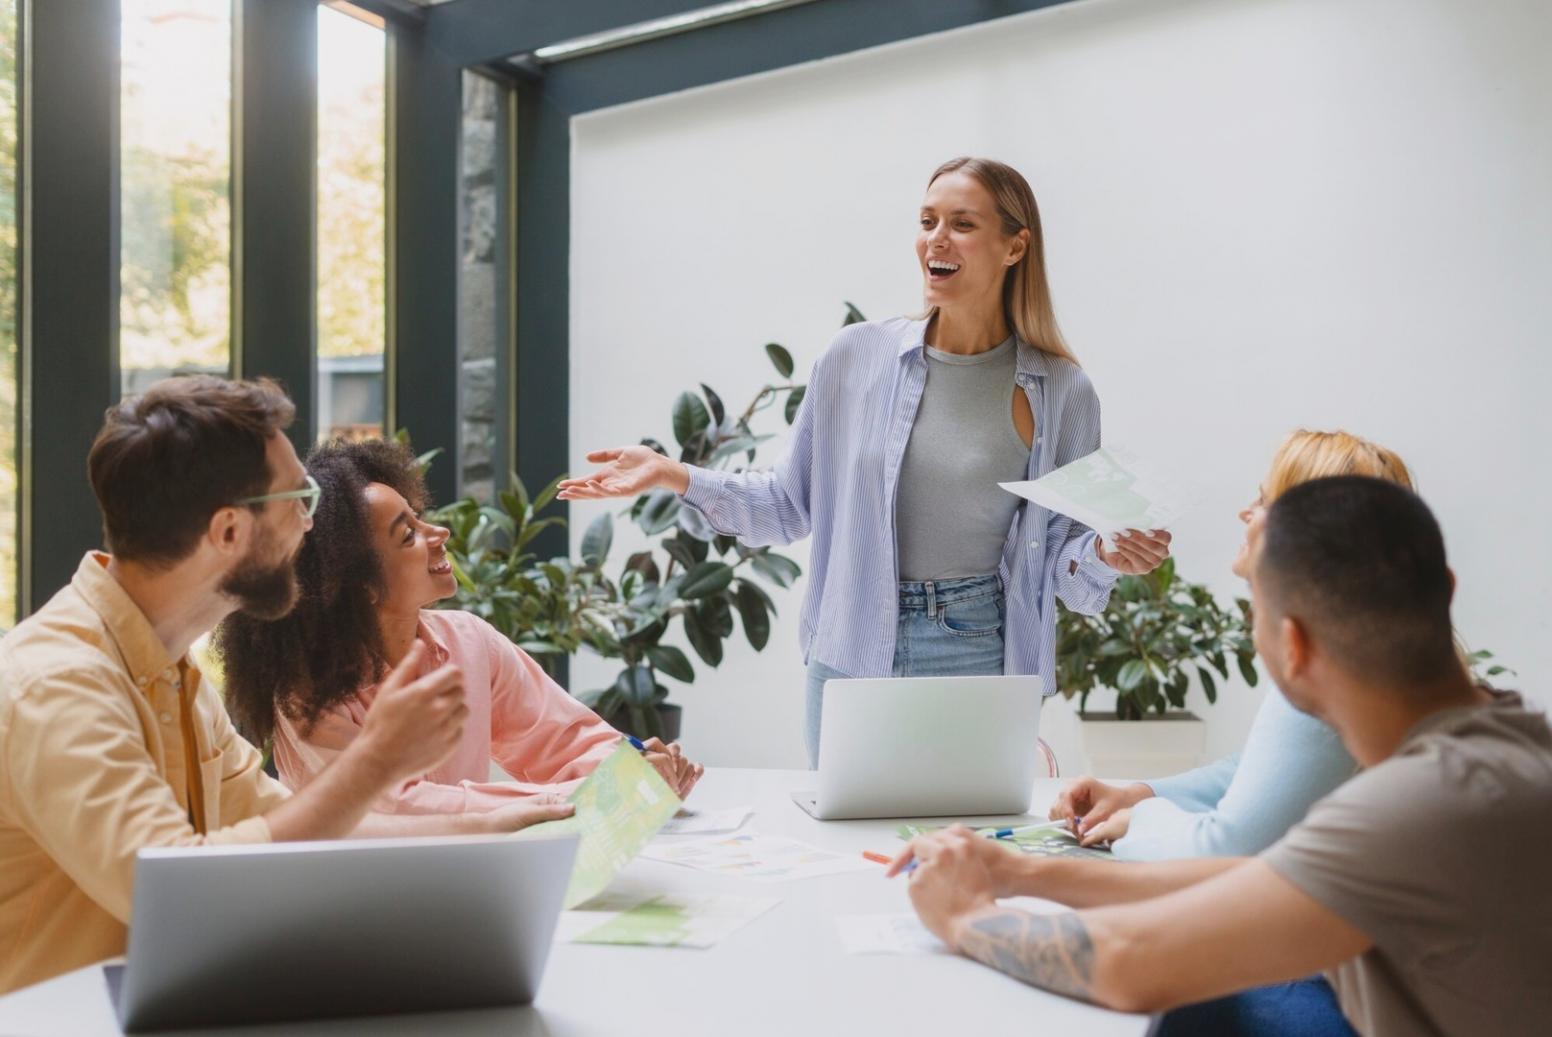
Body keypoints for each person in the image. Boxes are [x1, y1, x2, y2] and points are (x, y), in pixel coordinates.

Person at [559, 156, 1171, 766]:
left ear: (1015, 247)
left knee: (969, 844)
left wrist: (1105, 554)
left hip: (979, 646)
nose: (936, 238)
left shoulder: (1062, 391)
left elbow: (1063, 563)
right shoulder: (855, 359)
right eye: (927, 220)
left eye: (961, 224)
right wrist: (675, 474)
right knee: (849, 842)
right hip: (850, 641)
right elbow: (786, 505)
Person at [893, 476, 1552, 1036]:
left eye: (1254, 611)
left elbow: (1129, 963)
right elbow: (1248, 881)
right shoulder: (1503, 740)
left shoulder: (1423, 803)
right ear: (1445, 586)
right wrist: (1017, 872)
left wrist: (966, 916)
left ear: (1292, 646)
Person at [0, 378, 570, 995]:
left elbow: (290, 825)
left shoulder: (173, 675)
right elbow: (171, 886)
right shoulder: (59, 685)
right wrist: (376, 762)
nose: (309, 525)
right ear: (227, 533)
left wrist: (507, 827)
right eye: (298, 497)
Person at [218, 438, 703, 813]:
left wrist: (636, 768)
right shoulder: (307, 692)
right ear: (360, 584)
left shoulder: (469, 640)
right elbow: (401, 810)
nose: (439, 534)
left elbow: (562, 738)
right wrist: (587, 795)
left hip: (468, 881)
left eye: (421, 517)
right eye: (409, 534)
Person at [1050, 430, 1413, 858]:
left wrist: (1140, 822)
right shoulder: (1365, 650)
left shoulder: (1332, 669)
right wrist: (1137, 795)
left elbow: (1226, 846)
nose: (1246, 512)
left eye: (1263, 501)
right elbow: (1259, 772)